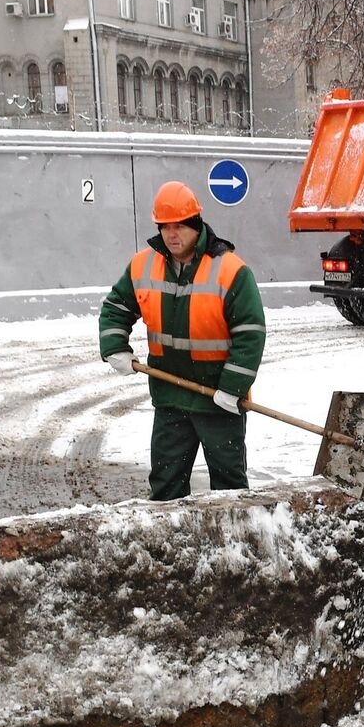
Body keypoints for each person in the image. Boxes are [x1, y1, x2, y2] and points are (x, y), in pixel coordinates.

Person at [99, 181, 266, 500]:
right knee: (166, 485)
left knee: (229, 489)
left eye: (179, 226)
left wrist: (232, 387)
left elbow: (250, 332)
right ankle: (168, 533)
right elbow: (116, 307)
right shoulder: (143, 265)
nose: (171, 234)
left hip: (218, 400)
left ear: (196, 224)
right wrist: (115, 346)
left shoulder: (230, 270)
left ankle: (234, 533)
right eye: (165, 227)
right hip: (170, 397)